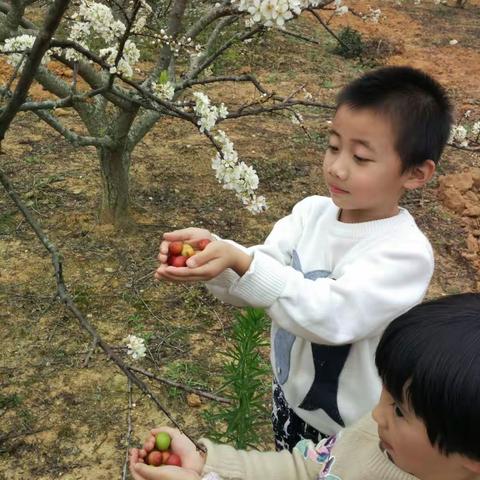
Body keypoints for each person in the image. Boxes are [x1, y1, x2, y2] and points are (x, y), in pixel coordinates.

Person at [154, 66, 453, 450]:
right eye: (332, 146)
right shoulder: (310, 213)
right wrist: (219, 259)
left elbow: (331, 316)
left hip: (350, 428)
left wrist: (242, 262)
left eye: (360, 158)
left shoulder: (404, 255)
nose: (336, 166)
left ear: (414, 173)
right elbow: (263, 275)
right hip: (290, 400)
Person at [129, 293, 480, 480]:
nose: (376, 413)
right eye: (384, 391)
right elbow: (306, 470)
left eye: (400, 410)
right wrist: (206, 464)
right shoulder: (373, 436)